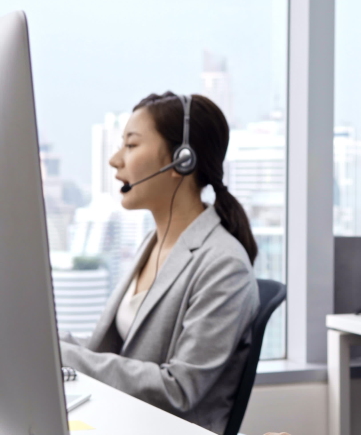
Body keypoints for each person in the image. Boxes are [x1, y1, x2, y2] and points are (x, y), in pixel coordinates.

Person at [60, 92, 260, 435]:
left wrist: (61, 355)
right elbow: (105, 350)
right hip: (121, 421)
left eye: (131, 145)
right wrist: (43, 342)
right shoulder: (152, 244)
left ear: (182, 160)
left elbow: (179, 390)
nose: (115, 160)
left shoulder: (224, 265)